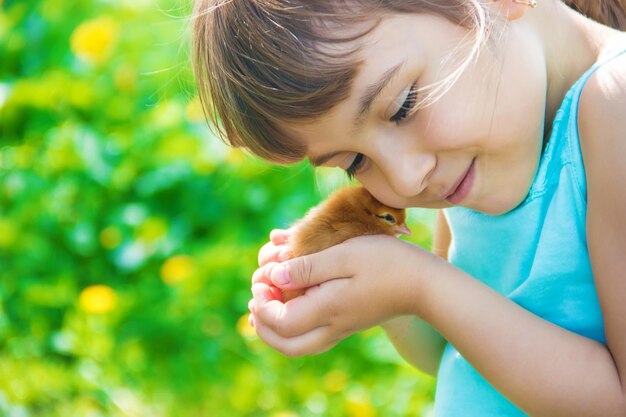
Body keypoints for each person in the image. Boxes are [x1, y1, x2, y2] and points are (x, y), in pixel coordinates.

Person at [192, 0, 626, 415]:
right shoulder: (473, 163)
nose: (404, 180)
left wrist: (421, 285)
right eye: (355, 163)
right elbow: (447, 351)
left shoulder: (615, 103)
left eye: (403, 106)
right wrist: (380, 290)